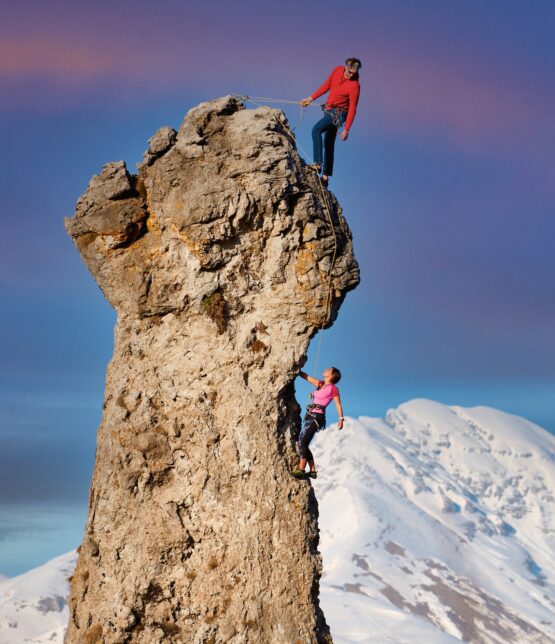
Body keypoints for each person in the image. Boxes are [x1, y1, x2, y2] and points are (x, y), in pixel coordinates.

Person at [300, 58, 361, 188]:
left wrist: (347, 129)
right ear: (346, 66)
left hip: (339, 114)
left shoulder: (354, 86)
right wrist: (310, 99)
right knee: (328, 143)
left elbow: (352, 109)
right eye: (349, 71)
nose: (350, 75)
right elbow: (326, 86)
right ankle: (325, 178)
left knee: (316, 130)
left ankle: (317, 164)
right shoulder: (337, 70)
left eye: (353, 73)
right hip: (328, 109)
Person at [292, 367, 344, 479]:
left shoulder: (333, 389)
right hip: (310, 415)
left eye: (328, 370)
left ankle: (301, 469)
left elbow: (338, 404)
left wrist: (340, 418)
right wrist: (298, 371)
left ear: (331, 375)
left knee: (302, 441)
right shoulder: (320, 384)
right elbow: (308, 378)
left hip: (318, 416)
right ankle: (312, 470)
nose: (325, 369)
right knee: (303, 442)